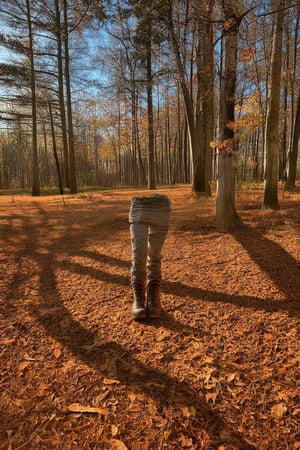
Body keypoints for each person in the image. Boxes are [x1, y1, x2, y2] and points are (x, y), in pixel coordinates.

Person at [129, 194, 171, 319]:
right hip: (139, 205)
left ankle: (154, 294)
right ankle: (139, 296)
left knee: (154, 254)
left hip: (161, 206)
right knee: (138, 252)